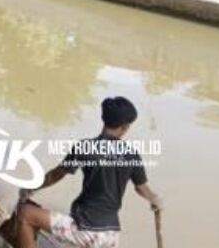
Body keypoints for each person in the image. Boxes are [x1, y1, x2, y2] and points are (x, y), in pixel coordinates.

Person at [14, 97, 162, 248]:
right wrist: (155, 199)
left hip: (86, 229)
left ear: (104, 119)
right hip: (111, 235)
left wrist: (30, 188)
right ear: (124, 127)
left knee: (25, 213)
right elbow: (141, 187)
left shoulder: (85, 147)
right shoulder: (131, 154)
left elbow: (56, 175)